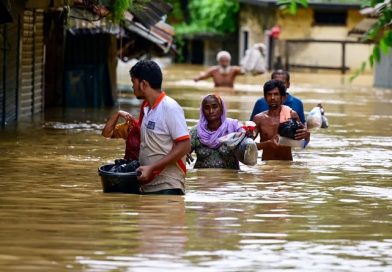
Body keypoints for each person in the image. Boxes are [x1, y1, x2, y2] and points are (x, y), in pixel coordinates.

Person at [102, 60, 191, 195]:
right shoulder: (145, 108)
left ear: (143, 84)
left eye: (133, 82)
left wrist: (152, 168)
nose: (132, 87)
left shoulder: (170, 107)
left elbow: (185, 146)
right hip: (147, 187)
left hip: (168, 187)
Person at [253, 80, 310, 161]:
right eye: (269, 94)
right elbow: (248, 146)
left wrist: (307, 136)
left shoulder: (292, 115)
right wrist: (267, 144)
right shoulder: (259, 119)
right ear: (265, 98)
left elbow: (303, 144)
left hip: (287, 166)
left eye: (276, 94)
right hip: (267, 166)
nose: (272, 98)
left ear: (283, 97)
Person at [189, 94, 242, 169]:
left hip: (229, 179)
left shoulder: (234, 127)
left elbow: (249, 150)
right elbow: (184, 152)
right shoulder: (196, 132)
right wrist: (183, 154)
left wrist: (248, 136)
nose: (211, 111)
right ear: (202, 110)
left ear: (221, 108)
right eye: (207, 108)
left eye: (214, 107)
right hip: (202, 178)